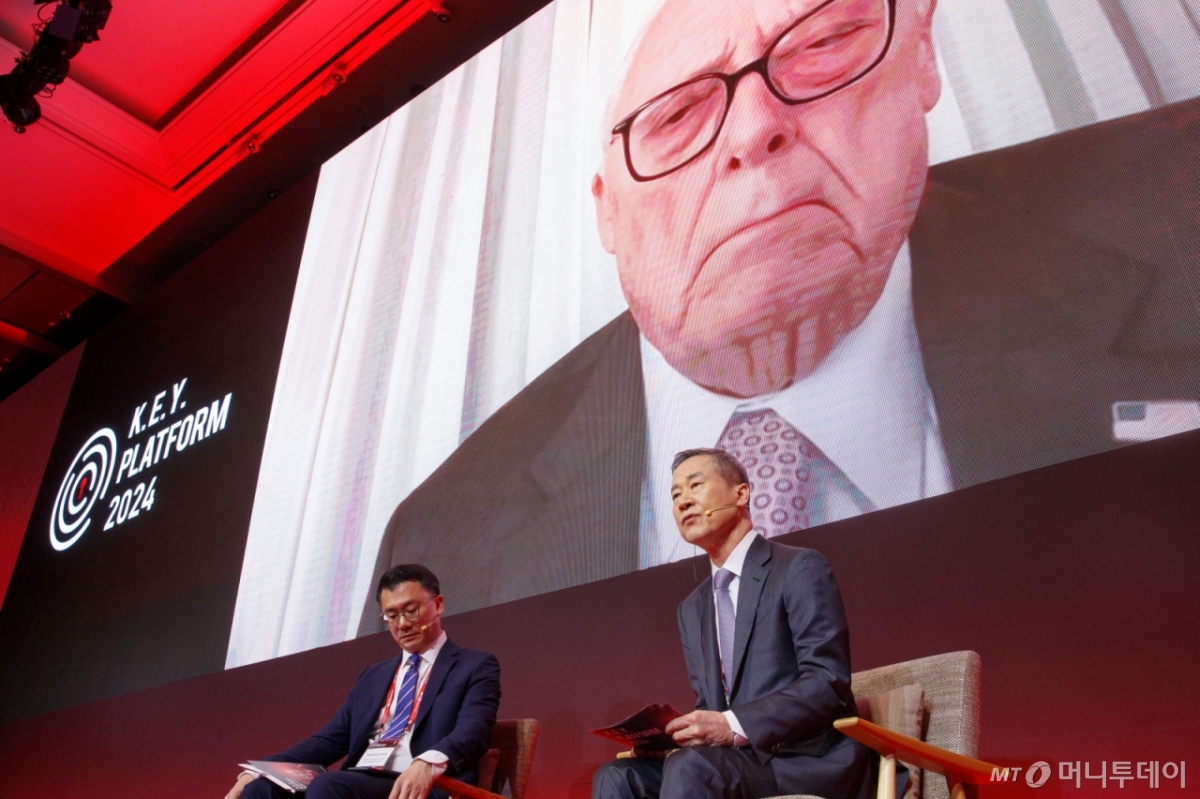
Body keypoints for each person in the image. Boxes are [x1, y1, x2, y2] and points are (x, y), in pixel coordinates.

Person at [359, 0, 1200, 627]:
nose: (754, 126)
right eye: (677, 116)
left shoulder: (1179, 207)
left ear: (921, 60)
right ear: (607, 213)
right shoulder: (448, 530)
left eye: (823, 45)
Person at [593, 447, 873, 799]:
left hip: (803, 759)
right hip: (735, 762)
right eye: (675, 494)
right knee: (618, 776)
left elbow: (827, 682)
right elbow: (712, 704)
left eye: (695, 486)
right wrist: (675, 735)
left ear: (741, 493)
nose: (682, 502)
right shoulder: (692, 608)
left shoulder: (798, 568)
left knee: (691, 766)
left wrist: (730, 725)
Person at [230, 564, 500, 799]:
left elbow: (474, 731)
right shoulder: (373, 676)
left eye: (411, 611)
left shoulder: (474, 666)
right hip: (361, 779)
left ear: (438, 605)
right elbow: (328, 741)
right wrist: (260, 771)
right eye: (391, 616)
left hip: (422, 786)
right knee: (261, 791)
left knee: (329, 787)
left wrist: (426, 763)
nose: (402, 624)